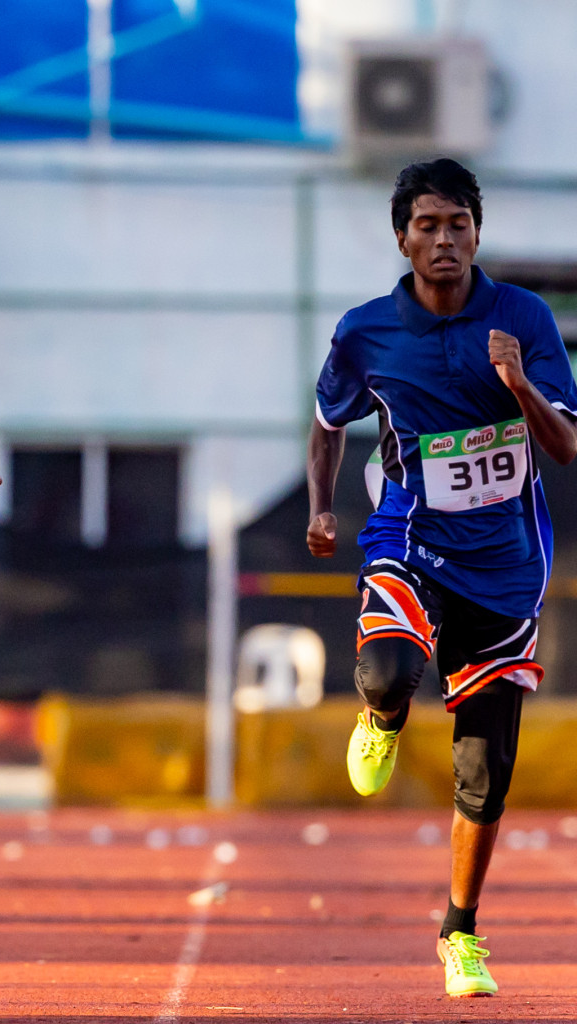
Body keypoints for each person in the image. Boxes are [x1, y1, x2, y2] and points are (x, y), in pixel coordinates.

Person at [307, 159, 577, 998]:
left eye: (458, 223)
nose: (444, 239)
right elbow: (327, 422)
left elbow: (565, 446)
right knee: (388, 670)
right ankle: (381, 714)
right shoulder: (365, 331)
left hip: (506, 565)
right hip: (410, 536)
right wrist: (320, 507)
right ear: (403, 239)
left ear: (477, 233)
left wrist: (519, 383)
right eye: (427, 225)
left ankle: (460, 932)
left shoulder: (523, 318)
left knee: (486, 766)